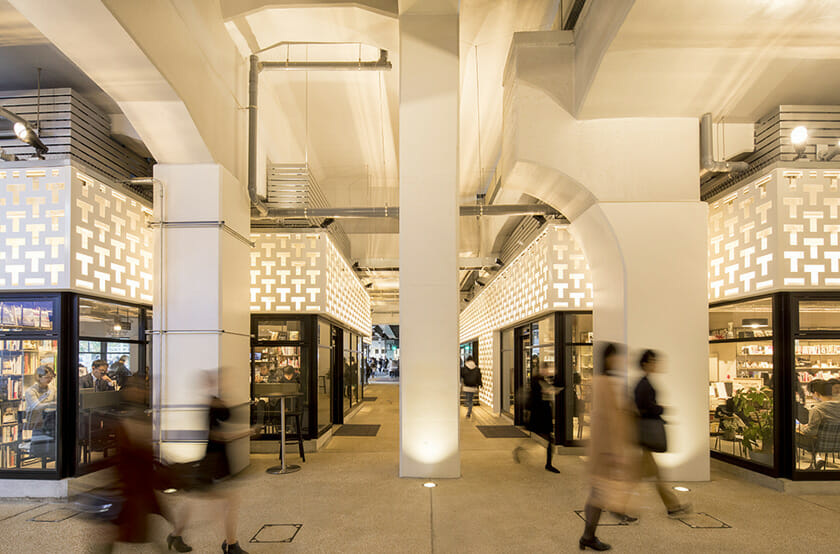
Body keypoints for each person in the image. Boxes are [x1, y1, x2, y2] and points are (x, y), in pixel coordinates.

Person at [107, 376, 191, 552]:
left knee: (141, 522)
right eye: (136, 388)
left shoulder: (140, 414)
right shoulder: (129, 416)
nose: (140, 392)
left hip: (141, 480)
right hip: (132, 481)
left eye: (142, 388)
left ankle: (171, 539)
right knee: (128, 524)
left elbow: (145, 445)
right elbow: (136, 445)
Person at [178, 371, 253, 554]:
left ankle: (175, 534)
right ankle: (230, 544)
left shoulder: (216, 401)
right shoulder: (209, 405)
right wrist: (247, 432)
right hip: (212, 461)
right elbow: (218, 436)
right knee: (227, 502)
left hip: (216, 460)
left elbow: (226, 419)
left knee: (198, 499)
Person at [579, 343, 637, 551]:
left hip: (605, 448)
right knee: (598, 493)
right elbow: (607, 419)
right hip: (606, 449)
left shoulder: (604, 382)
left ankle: (589, 534)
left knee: (598, 492)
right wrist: (612, 451)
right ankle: (589, 535)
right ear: (610, 358)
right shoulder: (605, 383)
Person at [634, 350, 691, 517]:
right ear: (645, 363)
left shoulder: (644, 383)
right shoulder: (644, 384)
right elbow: (645, 407)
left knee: (650, 475)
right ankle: (672, 506)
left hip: (644, 435)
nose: (655, 364)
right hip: (645, 434)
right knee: (648, 475)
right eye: (652, 361)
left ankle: (672, 505)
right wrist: (661, 409)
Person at [513, 357, 561, 473]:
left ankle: (547, 463)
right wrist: (551, 391)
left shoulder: (540, 380)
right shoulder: (538, 380)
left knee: (541, 438)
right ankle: (548, 464)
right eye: (547, 369)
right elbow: (540, 394)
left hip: (540, 414)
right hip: (540, 414)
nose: (549, 371)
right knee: (547, 439)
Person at [796, 379, 840, 468]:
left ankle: (815, 460)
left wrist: (799, 427)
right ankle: (816, 460)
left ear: (816, 393)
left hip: (821, 444)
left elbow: (811, 432)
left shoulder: (817, 409)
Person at [25, 365, 57, 459]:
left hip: (49, 419)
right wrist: (51, 404)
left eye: (51, 377)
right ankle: (49, 451)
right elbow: (36, 406)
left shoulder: (52, 388)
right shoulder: (30, 391)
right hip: (37, 421)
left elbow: (57, 402)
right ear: (39, 377)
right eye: (47, 377)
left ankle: (54, 450)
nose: (50, 380)